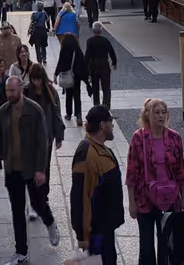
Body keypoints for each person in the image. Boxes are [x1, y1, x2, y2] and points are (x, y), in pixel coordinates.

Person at [0, 76, 61, 264]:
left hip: (32, 169)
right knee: (17, 211)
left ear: (20, 89)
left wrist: (41, 169)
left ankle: (49, 222)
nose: (9, 94)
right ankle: (21, 251)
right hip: (12, 170)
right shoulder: (3, 111)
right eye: (7, 90)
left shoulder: (34, 109)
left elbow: (43, 141)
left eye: (12, 91)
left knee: (38, 204)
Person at [126, 99, 184, 265]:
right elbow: (131, 171)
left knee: (166, 244)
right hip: (144, 197)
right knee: (146, 247)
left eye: (163, 112)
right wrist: (131, 202)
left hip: (169, 197)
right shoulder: (139, 138)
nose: (161, 116)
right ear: (148, 114)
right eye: (156, 112)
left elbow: (181, 170)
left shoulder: (174, 137)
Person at [71, 105, 124, 265]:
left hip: (105, 229)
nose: (112, 125)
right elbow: (80, 197)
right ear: (102, 125)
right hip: (96, 233)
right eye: (110, 122)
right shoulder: (87, 154)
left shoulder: (101, 149)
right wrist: (82, 235)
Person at [24, 63, 65, 217]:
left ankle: (43, 197)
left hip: (46, 137)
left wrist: (59, 136)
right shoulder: (26, 92)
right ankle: (35, 202)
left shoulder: (50, 92)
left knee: (44, 167)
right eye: (34, 80)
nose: (36, 83)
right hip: (29, 138)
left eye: (38, 79)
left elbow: (56, 114)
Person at [55, 32, 88, 125]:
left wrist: (55, 74)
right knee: (77, 96)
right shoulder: (77, 50)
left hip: (68, 76)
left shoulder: (64, 50)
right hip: (76, 76)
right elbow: (82, 63)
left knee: (68, 95)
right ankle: (78, 116)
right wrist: (86, 78)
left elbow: (60, 63)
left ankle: (68, 114)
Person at [85, 21, 118, 110]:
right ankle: (106, 105)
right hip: (104, 63)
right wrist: (114, 63)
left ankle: (96, 105)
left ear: (93, 30)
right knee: (106, 86)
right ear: (101, 30)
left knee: (95, 86)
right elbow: (111, 52)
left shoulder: (90, 41)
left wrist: (85, 67)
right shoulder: (105, 40)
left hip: (93, 64)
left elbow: (87, 54)